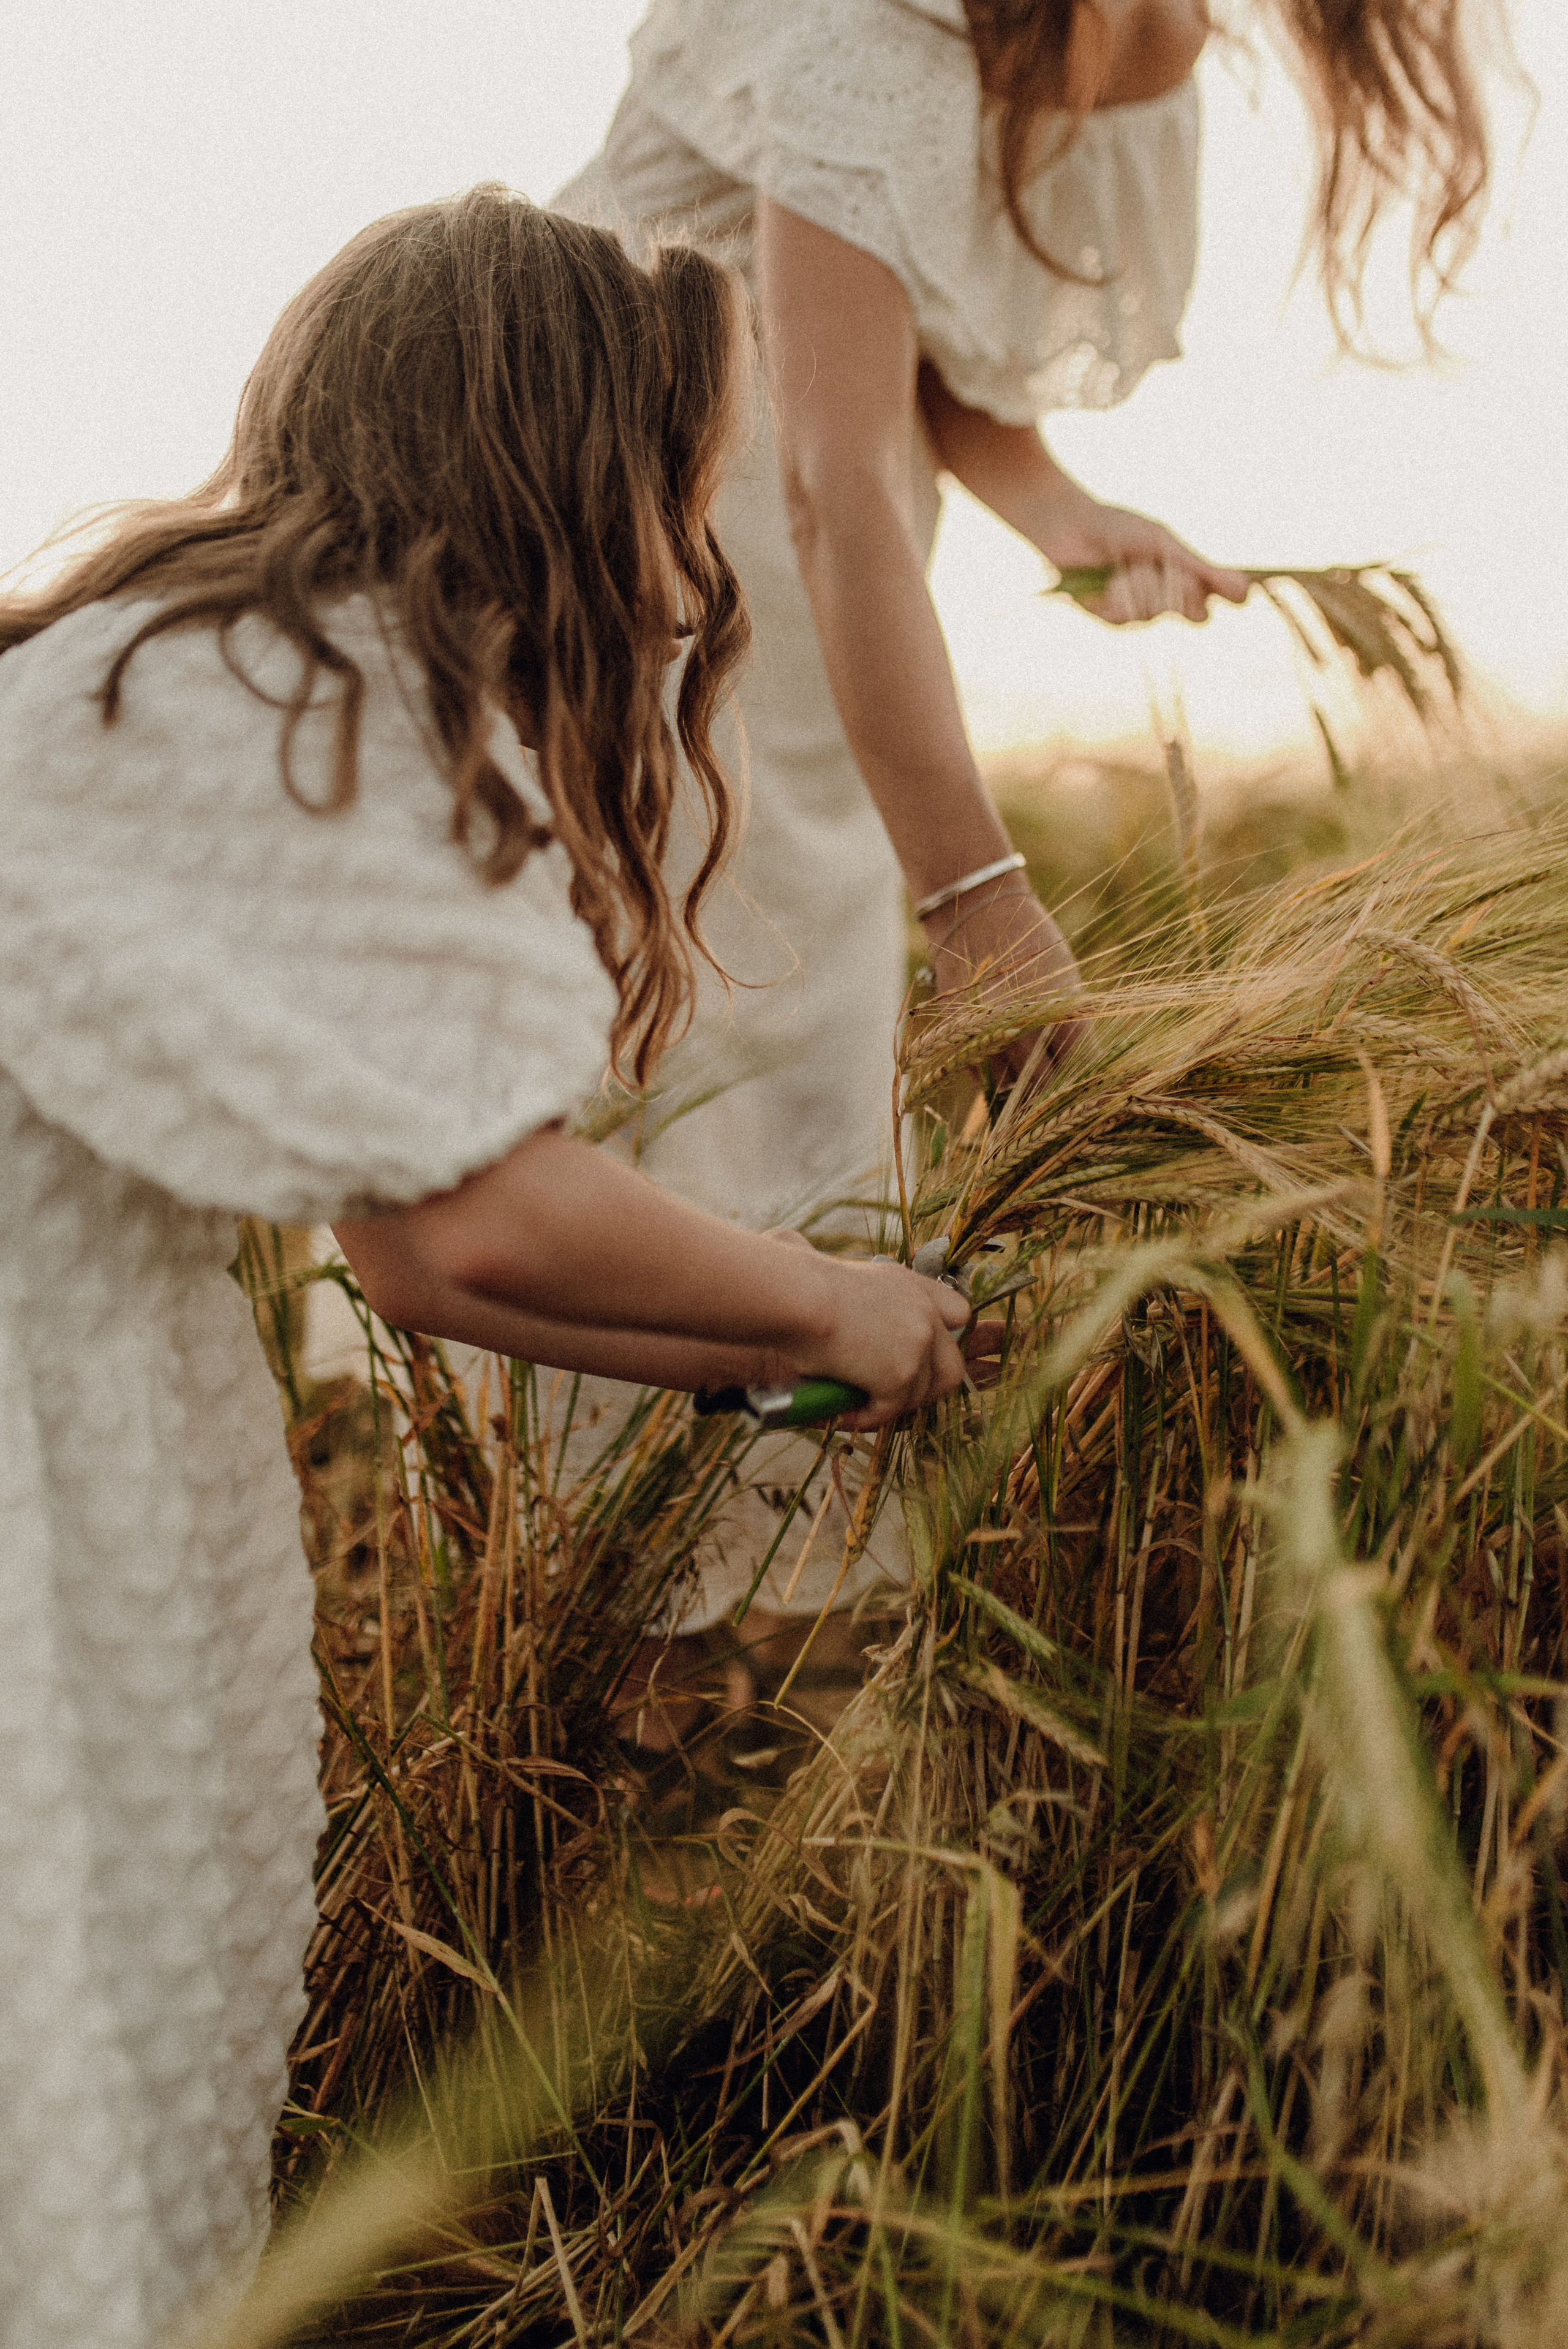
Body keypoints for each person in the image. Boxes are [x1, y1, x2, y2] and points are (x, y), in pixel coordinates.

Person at [0, 186, 970, 2349]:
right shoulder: (322, 688)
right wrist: (833, 1306)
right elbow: (477, 1213)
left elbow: (410, 1252)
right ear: (557, 455)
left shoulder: (212, 659)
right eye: (681, 480)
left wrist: (747, 1360)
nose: (700, 556)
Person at [551, 0, 1494, 1663]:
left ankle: (780, 1629)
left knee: (809, 1062)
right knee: (676, 1058)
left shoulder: (1155, 41)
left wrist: (1060, 507)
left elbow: (905, 336)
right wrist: (978, 891)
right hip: (619, 554)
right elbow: (829, 468)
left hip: (826, 569)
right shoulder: (873, 23)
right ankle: (616, 1634)